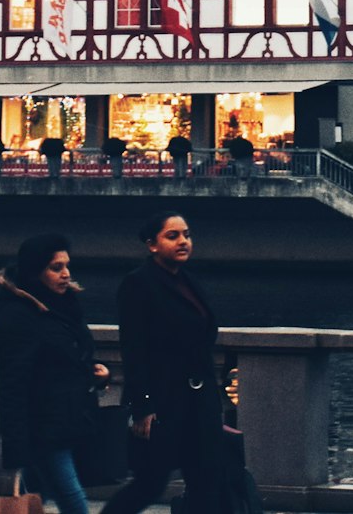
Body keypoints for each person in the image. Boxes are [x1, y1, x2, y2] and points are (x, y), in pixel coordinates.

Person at [101, 212, 230, 514]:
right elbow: (133, 349)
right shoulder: (138, 284)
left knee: (206, 479)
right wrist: (143, 405)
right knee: (151, 482)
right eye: (173, 236)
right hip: (163, 400)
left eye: (186, 234)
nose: (183, 241)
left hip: (199, 400)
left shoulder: (189, 280)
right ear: (152, 245)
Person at [0, 232, 108, 514]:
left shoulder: (66, 305)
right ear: (35, 271)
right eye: (56, 268)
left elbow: (67, 359)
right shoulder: (19, 315)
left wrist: (96, 373)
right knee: (73, 500)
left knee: (37, 497)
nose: (66, 274)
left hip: (67, 420)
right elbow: (13, 384)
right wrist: (15, 447)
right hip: (43, 427)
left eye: (67, 266)